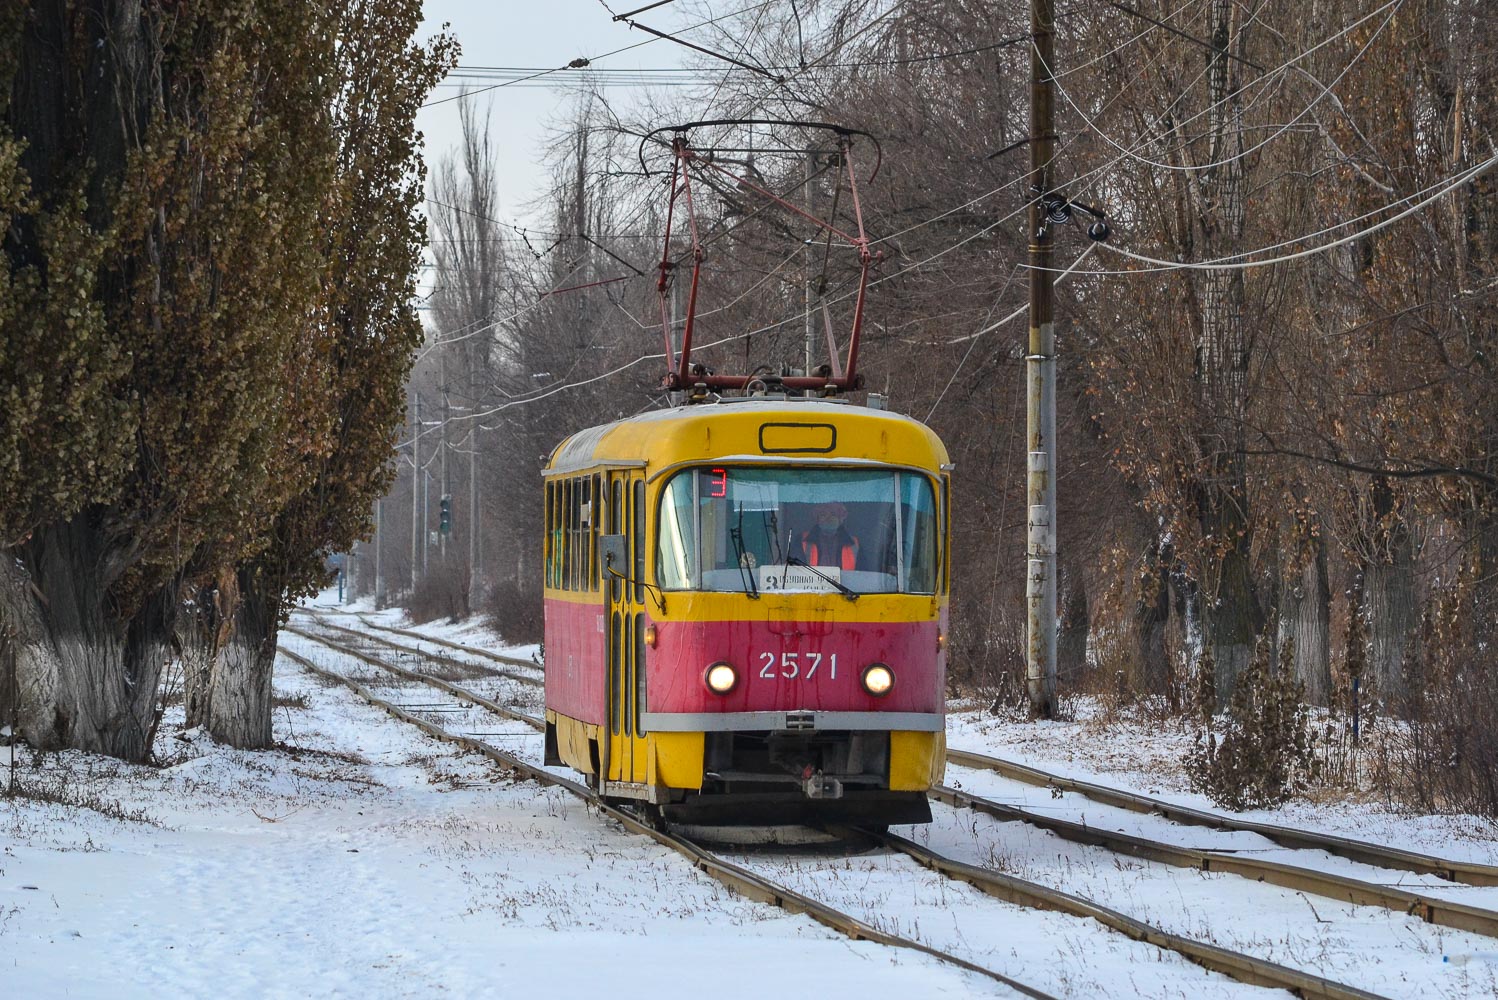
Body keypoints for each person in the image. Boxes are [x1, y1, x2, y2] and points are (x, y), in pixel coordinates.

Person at [801, 502, 859, 570]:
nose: (828, 518)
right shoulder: (802, 541)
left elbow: (863, 576)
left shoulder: (854, 544)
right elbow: (794, 573)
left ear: (841, 518)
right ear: (817, 518)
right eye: (823, 514)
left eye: (833, 514)